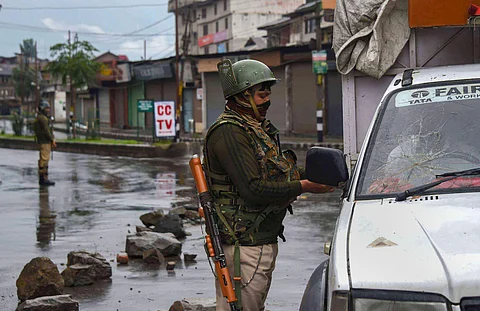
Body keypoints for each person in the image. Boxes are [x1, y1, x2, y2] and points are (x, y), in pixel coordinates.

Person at [203, 59, 335, 311]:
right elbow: (254, 189)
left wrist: (328, 175)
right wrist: (304, 186)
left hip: (260, 240)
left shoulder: (257, 129)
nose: (267, 100)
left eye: (268, 93)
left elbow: (279, 172)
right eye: (262, 94)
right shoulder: (230, 132)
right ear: (243, 96)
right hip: (243, 245)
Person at [33, 100, 56, 186]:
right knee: (44, 159)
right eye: (47, 108)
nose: (48, 110)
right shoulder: (43, 118)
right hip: (45, 141)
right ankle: (43, 178)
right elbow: (46, 131)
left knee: (44, 159)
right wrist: (52, 140)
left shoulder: (40, 117)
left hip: (42, 140)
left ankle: (44, 177)